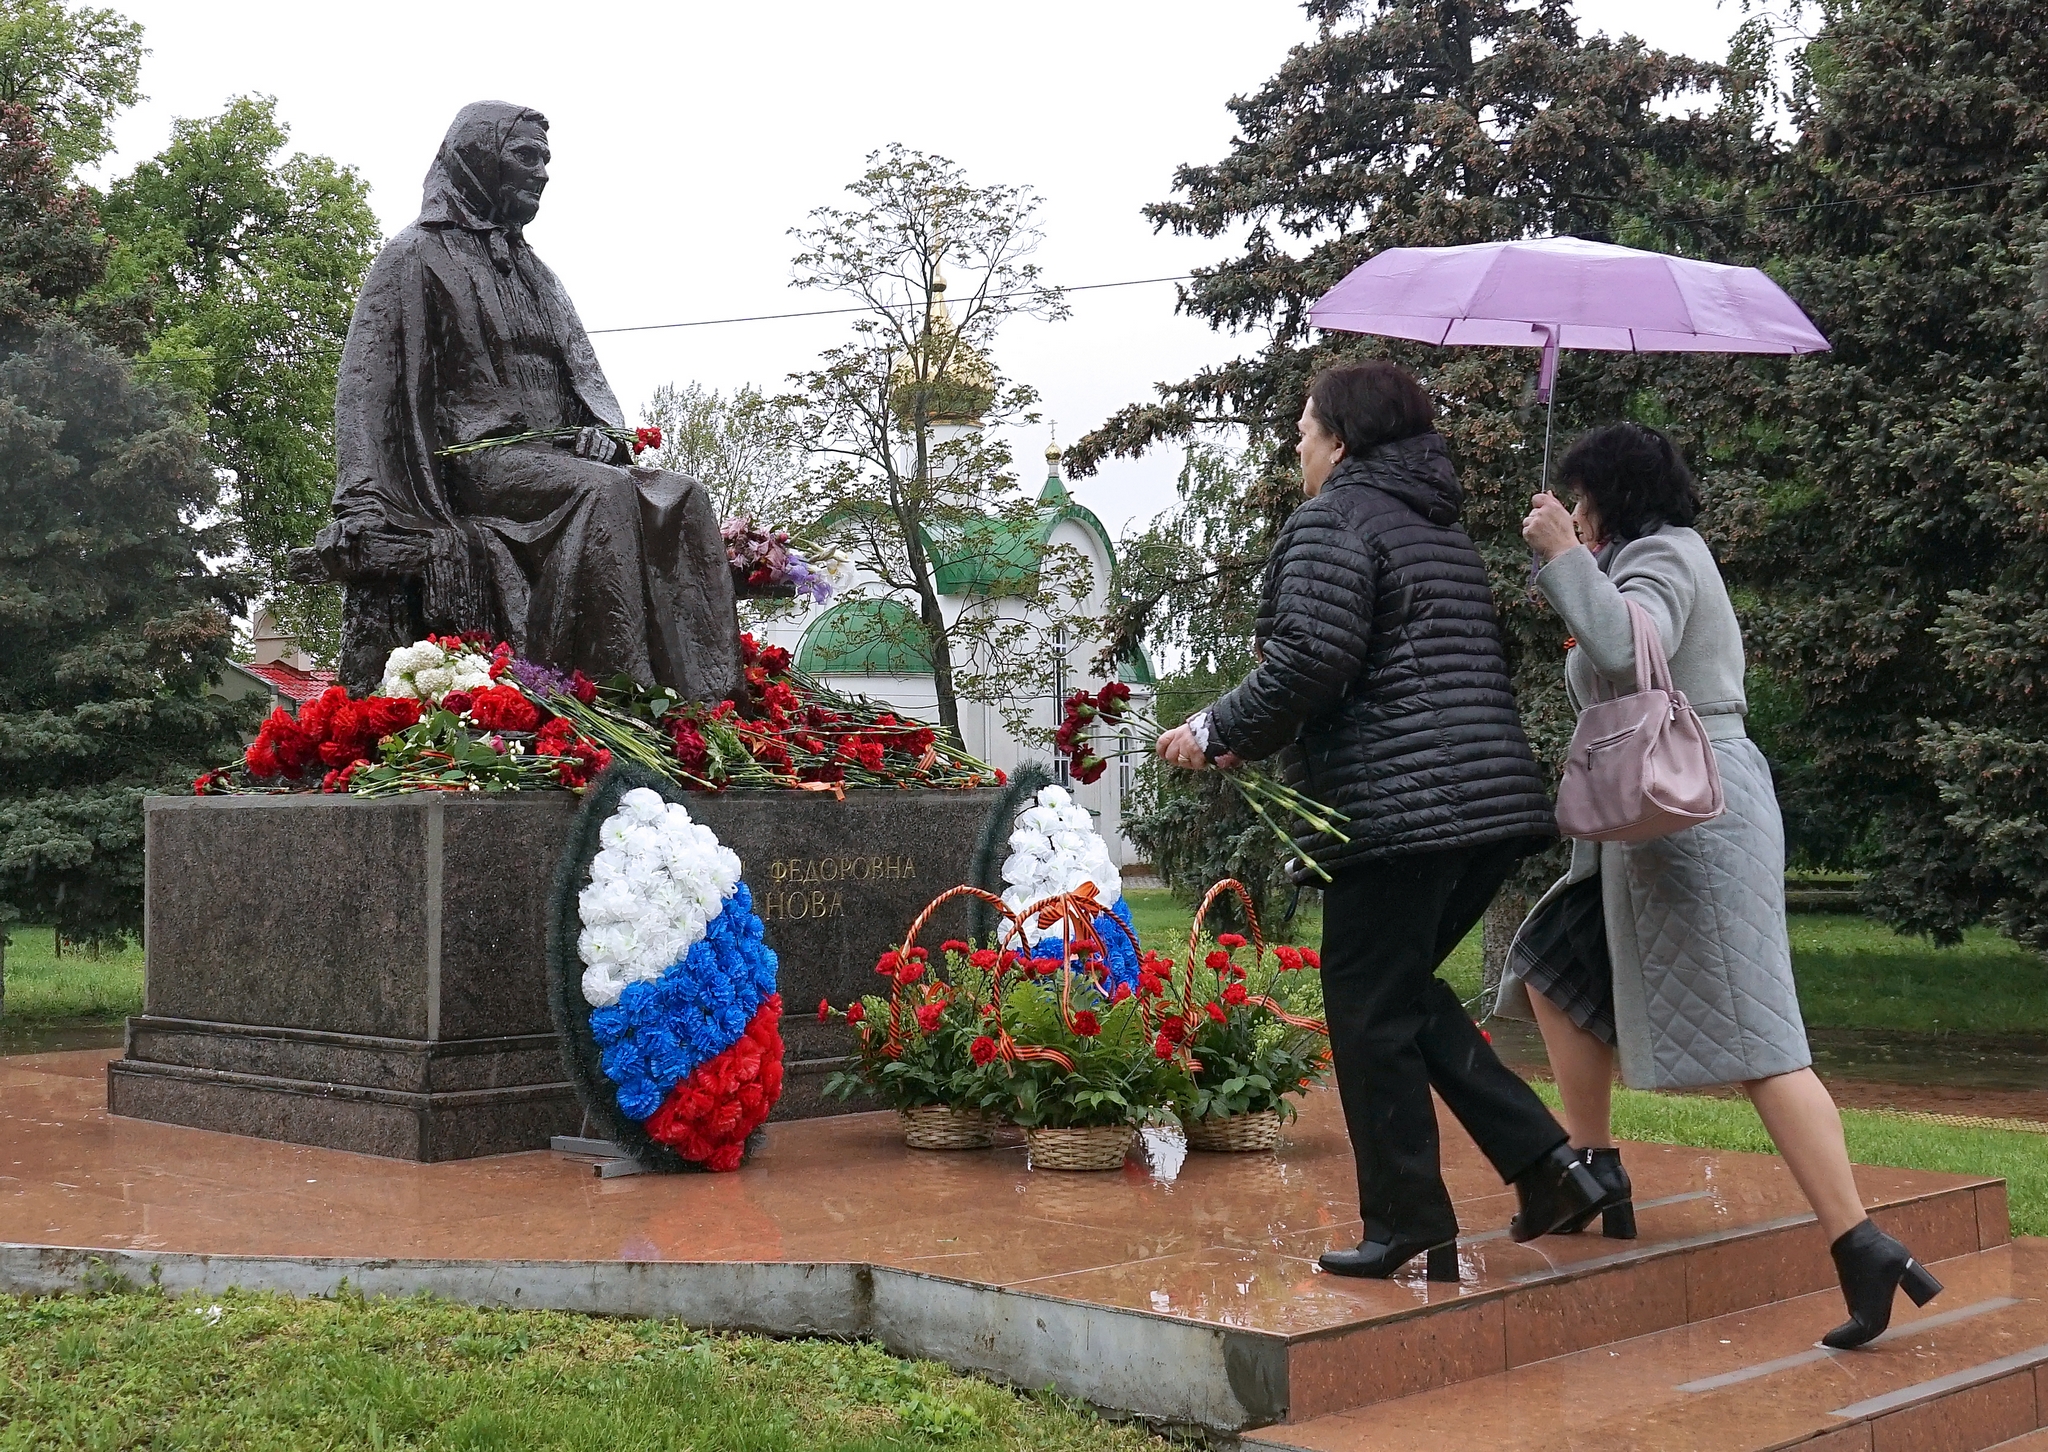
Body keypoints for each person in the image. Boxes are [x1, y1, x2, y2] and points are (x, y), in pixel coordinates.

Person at [1156, 361, 1600, 1280]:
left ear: (1344, 441)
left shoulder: (1333, 520)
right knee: (1396, 997)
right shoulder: (1435, 529)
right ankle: (1550, 1166)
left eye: (1306, 427)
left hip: (1398, 820)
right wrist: (1254, 736)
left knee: (1366, 1011)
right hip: (1478, 811)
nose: (1297, 443)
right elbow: (1380, 669)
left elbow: (1312, 659)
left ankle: (1410, 1221)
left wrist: (1213, 728)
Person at [1509, 422, 1942, 1348]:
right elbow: (1614, 652)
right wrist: (1578, 580)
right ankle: (1592, 1165)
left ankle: (1861, 1242)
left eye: (1582, 501)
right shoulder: (1633, 560)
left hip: (1694, 819)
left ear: (1615, 496)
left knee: (1760, 1040)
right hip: (1647, 826)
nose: (1574, 516)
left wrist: (1560, 560)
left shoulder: (1664, 554)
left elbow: (1634, 651)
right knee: (1553, 964)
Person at [327, 101, 741, 700]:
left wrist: (603, 431)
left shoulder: (538, 273)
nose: (542, 171)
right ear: (478, 160)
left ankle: (708, 700)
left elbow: (584, 380)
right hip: (475, 468)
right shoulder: (414, 256)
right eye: (526, 156)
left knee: (682, 495)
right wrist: (361, 500)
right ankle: (618, 694)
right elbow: (367, 389)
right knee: (605, 492)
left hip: (560, 459)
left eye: (545, 158)